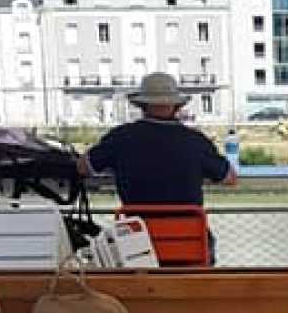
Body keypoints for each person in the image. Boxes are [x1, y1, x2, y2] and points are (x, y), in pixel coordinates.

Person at [80, 69, 237, 217]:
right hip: (188, 239)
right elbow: (230, 178)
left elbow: (83, 167)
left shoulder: (120, 138)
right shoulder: (196, 141)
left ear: (142, 105)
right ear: (176, 105)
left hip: (138, 238)